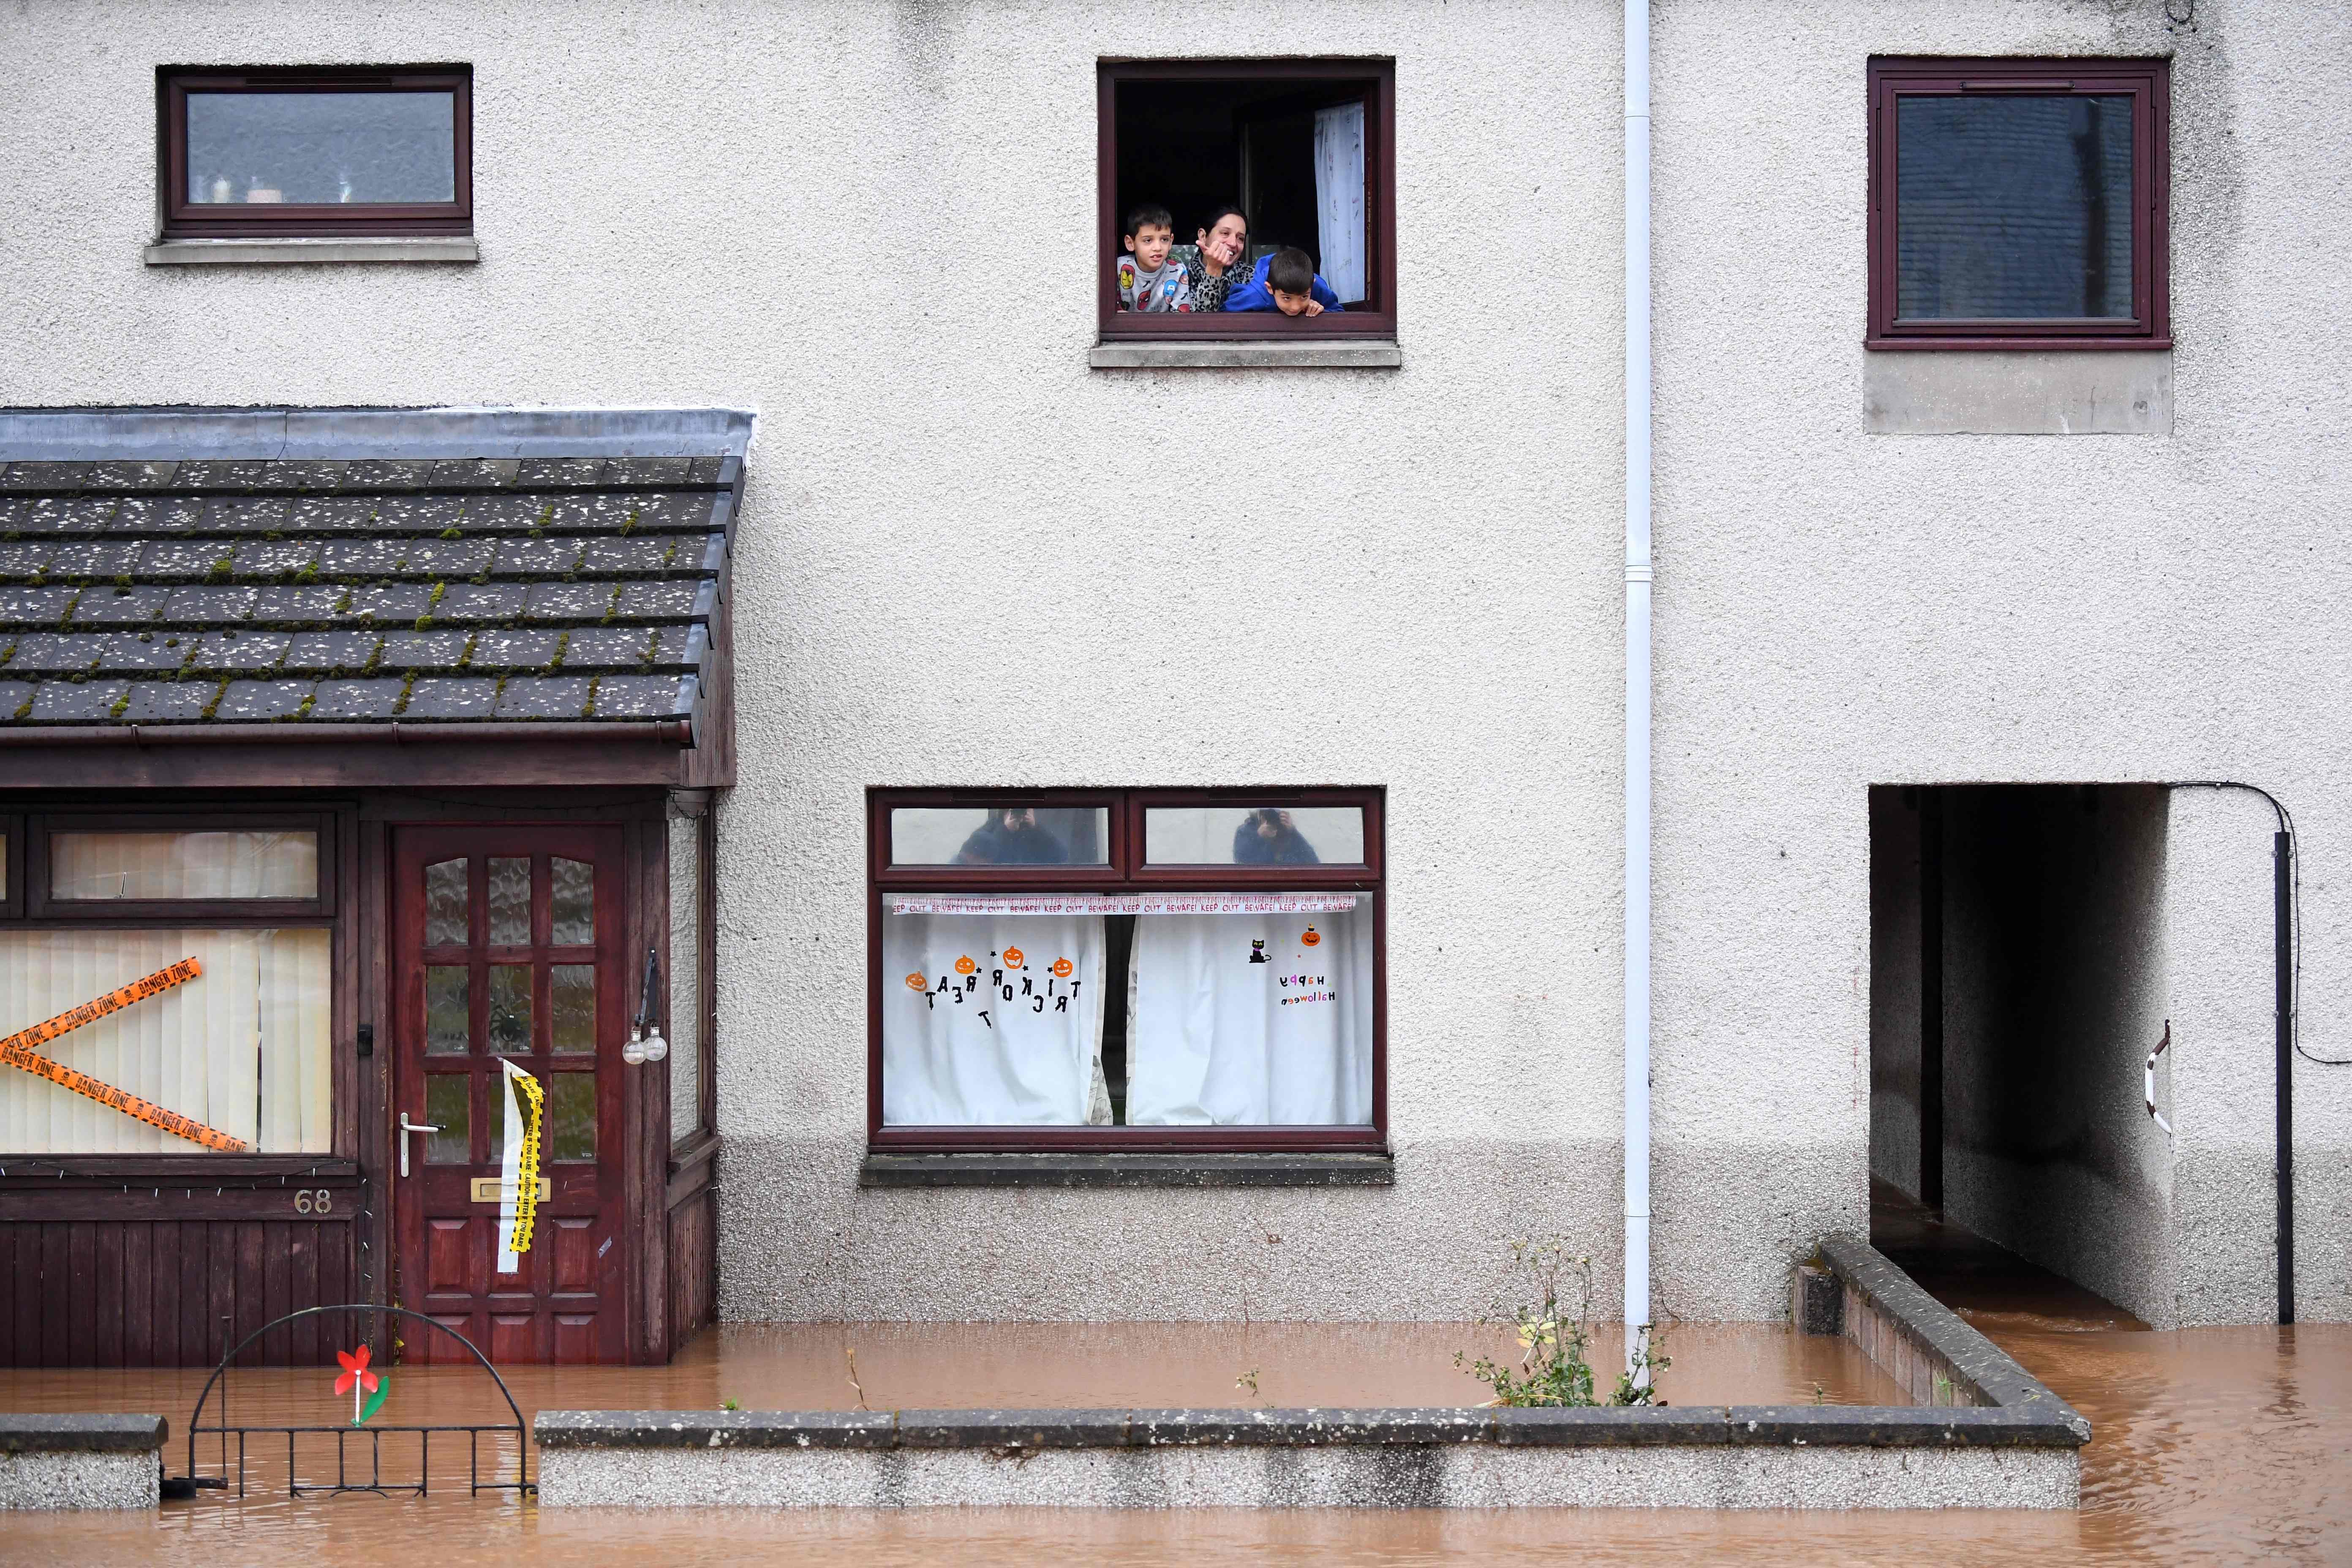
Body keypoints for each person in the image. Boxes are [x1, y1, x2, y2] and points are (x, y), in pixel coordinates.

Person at [1171, 205, 1250, 313]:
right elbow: (1200, 326)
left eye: (1240, 238)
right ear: (1203, 236)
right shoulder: (1179, 278)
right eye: (1225, 233)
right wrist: (1213, 271)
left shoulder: (1253, 277)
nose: (1233, 243)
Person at [1115, 204, 1193, 312]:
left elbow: (1181, 317)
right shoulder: (1119, 268)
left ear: (1171, 241)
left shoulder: (1177, 272)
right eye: (1148, 240)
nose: (1158, 248)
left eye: (1164, 240)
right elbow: (1111, 314)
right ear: (1130, 243)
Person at [1222, 247, 1344, 316]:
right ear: (1270, 289)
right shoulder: (1256, 295)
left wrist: (1321, 311)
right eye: (1287, 298)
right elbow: (1224, 316)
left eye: (1304, 297)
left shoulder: (1315, 286)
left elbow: (1340, 315)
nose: (1295, 307)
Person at [956, 808, 1070, 865]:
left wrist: (1037, 829)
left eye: (1024, 810)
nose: (1019, 814)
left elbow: (1061, 857)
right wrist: (1005, 830)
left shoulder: (1038, 833)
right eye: (1015, 811)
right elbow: (971, 860)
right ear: (1004, 812)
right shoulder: (991, 829)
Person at [1233, 808, 1321, 865]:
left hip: (1282, 890)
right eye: (1266, 814)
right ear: (1260, 815)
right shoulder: (1246, 831)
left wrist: (1293, 832)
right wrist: (1258, 837)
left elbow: (1313, 863)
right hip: (1255, 891)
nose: (1271, 819)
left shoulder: (1289, 834)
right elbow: (1241, 861)